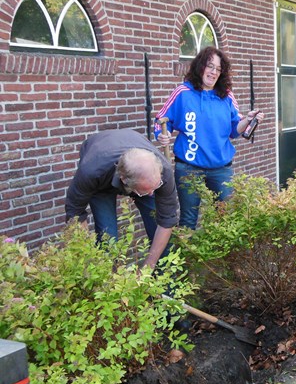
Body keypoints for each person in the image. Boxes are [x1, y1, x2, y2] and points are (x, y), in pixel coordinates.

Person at [155, 46, 264, 229]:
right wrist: (162, 135)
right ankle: (188, 258)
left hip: (221, 168)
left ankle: (221, 258)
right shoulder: (183, 92)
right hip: (189, 167)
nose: (213, 72)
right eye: (210, 66)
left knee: (225, 218)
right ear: (200, 66)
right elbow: (161, 120)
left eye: (218, 69)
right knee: (188, 220)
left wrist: (248, 119)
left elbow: (234, 130)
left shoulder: (226, 95)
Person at [65, 129, 179, 270]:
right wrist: (89, 257)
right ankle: (109, 284)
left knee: (160, 236)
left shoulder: (163, 173)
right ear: (123, 180)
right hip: (103, 181)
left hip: (138, 173)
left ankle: (165, 288)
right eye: (145, 191)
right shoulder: (91, 172)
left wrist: (148, 267)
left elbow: (167, 221)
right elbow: (75, 213)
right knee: (108, 239)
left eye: (154, 188)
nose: (151, 194)